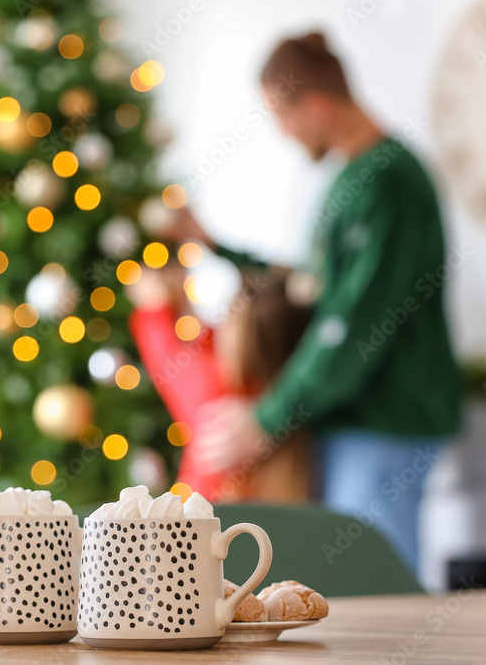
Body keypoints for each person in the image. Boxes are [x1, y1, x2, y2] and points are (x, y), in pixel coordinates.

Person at [167, 32, 463, 571]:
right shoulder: (351, 180)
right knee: (354, 597)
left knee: (378, 598)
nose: (282, 132)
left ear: (319, 106)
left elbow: (351, 327)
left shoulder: (390, 184)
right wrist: (214, 248)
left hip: (384, 425)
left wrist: (266, 419)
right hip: (352, 423)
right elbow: (309, 288)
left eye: (282, 116)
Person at [128, 264, 313, 503]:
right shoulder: (280, 395)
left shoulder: (217, 392)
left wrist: (154, 307)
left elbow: (165, 355)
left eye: (228, 315)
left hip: (196, 524)